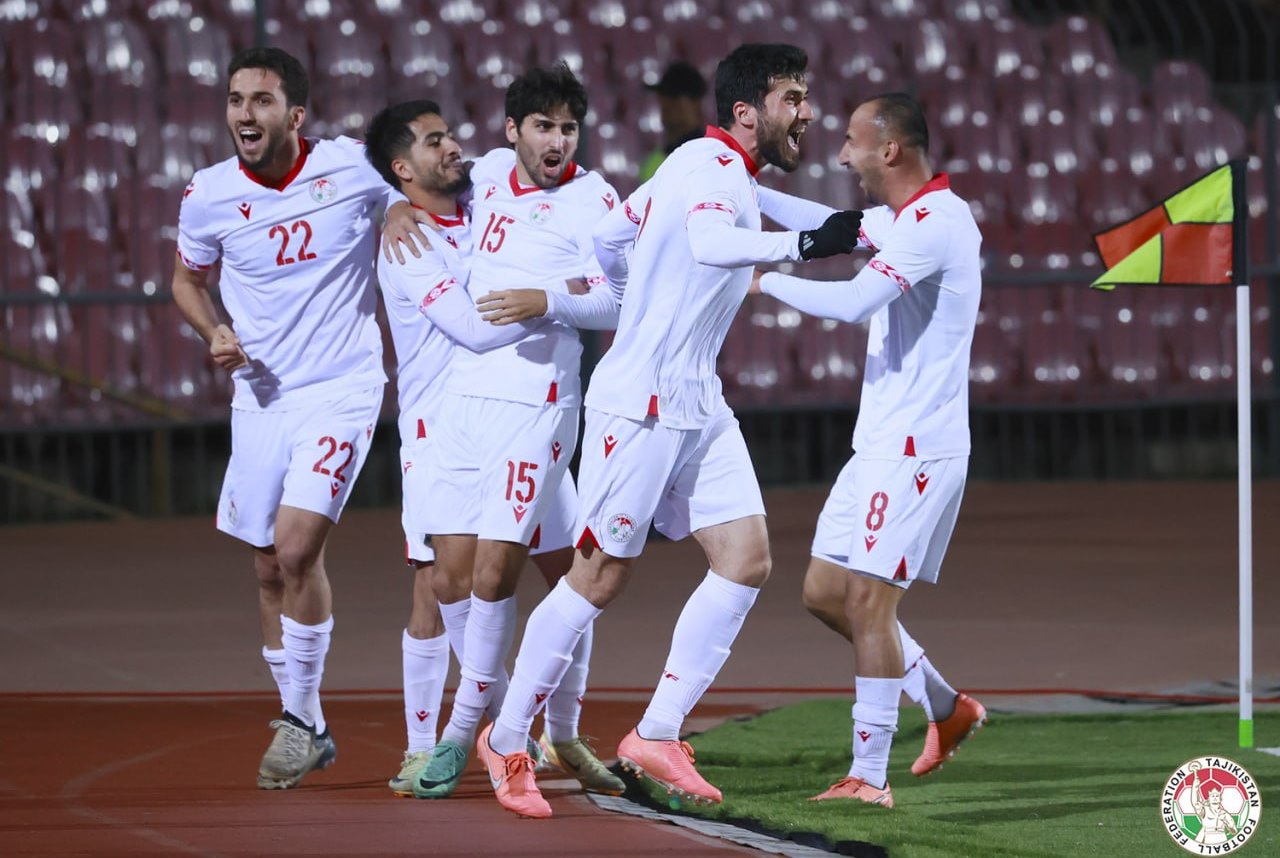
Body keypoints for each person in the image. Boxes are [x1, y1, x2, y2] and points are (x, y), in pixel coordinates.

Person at [473, 43, 862, 819]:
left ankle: (656, 732)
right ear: (747, 112)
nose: (807, 111)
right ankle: (505, 738)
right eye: (792, 97)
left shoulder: (703, 165)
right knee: (597, 579)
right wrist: (807, 247)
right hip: (642, 404)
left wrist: (857, 228)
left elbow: (611, 236)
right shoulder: (710, 173)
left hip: (696, 400)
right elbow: (712, 244)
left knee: (745, 559)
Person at [171, 47, 430, 790]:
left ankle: (298, 719)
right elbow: (186, 280)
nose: (244, 114)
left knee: (294, 548)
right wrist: (213, 329)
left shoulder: (352, 165)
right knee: (266, 566)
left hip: (341, 389)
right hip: (260, 397)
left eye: (260, 100)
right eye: (235, 100)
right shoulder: (209, 194)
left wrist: (400, 206)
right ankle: (306, 722)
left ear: (295, 115)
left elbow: (422, 184)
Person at [752, 92, 985, 807]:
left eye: (852, 141)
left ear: (889, 150)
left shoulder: (937, 224)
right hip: (879, 444)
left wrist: (766, 280)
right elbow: (826, 223)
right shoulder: (904, 218)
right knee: (827, 595)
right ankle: (945, 706)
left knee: (868, 600)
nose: (842, 154)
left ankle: (869, 775)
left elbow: (855, 302)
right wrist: (741, 190)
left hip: (917, 449)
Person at [409, 62, 625, 800]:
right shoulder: (487, 174)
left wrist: (547, 300)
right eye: (543, 126)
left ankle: (464, 734)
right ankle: (553, 732)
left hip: (540, 406)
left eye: (569, 127)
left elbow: (619, 300)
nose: (557, 141)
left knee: (495, 572)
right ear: (512, 131)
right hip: (466, 398)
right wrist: (394, 207)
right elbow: (411, 174)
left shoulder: (596, 200)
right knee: (477, 575)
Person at [362, 99, 554, 795]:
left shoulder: (482, 201)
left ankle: (543, 730)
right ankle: (433, 746)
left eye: (449, 135)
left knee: (560, 569)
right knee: (439, 584)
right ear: (402, 167)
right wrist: (554, 307)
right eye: (433, 141)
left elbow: (531, 167)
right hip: (436, 426)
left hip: (509, 415)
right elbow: (472, 330)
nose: (452, 147)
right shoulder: (408, 242)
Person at [637, 60, 707, 183]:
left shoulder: (711, 155)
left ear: (696, 103)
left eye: (674, 96)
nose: (667, 104)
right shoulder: (654, 161)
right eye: (663, 97)